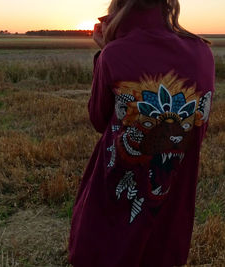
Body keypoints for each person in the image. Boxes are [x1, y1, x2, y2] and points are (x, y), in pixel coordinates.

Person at [68, 0, 215, 266]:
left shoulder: (114, 55)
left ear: (120, 8)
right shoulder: (203, 53)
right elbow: (197, 132)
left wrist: (105, 52)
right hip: (173, 197)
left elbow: (99, 119)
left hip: (117, 192)